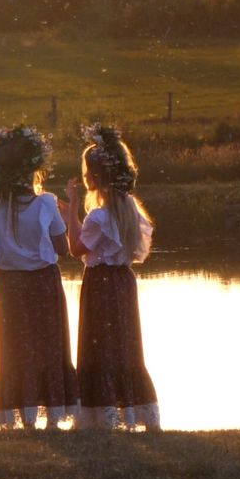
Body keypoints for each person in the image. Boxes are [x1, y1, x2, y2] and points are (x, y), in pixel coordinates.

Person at [0, 124, 77, 429]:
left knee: (14, 346)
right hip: (44, 282)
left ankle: (21, 414)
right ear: (33, 169)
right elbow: (63, 247)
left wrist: (9, 250)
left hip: (9, 285)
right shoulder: (45, 204)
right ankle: (53, 414)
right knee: (49, 344)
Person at [61, 123, 160, 431]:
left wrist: (71, 214)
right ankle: (133, 409)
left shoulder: (99, 216)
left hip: (100, 284)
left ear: (94, 175)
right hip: (123, 281)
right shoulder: (131, 211)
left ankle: (100, 412)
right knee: (125, 343)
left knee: (99, 344)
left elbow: (77, 249)